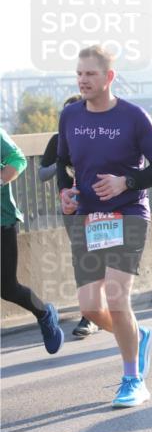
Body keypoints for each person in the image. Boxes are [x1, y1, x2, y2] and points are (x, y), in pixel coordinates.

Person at [57, 45, 152, 407]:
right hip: (88, 217)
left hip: (128, 213)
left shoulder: (133, 116)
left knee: (116, 296)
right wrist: (65, 192)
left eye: (90, 74)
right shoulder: (70, 115)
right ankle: (138, 335)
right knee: (91, 308)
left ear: (109, 77)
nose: (83, 80)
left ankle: (132, 379)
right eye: (79, 73)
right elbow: (62, 163)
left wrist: (127, 182)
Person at [38, 94, 99, 338]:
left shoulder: (97, 136)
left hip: (99, 205)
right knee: (83, 259)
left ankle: (103, 308)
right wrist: (61, 162)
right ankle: (89, 315)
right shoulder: (57, 140)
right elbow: (42, 174)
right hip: (71, 209)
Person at [2, 128, 64, 354]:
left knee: (8, 288)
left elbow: (18, 159)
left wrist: (1, 178)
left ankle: (44, 313)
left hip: (2, 222)